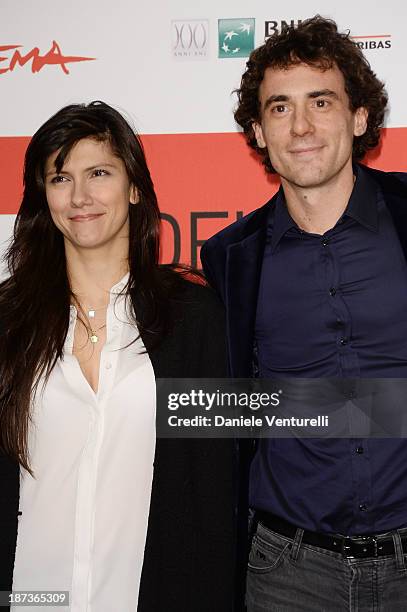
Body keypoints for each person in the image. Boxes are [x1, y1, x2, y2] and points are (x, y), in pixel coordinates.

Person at [201, 15, 407, 612]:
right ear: (259, 132)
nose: (302, 126)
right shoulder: (229, 260)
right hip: (290, 574)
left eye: (321, 100)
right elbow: (224, 409)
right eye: (280, 108)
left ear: (359, 116)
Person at [0, 101, 236, 611]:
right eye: (60, 178)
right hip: (31, 596)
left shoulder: (192, 318)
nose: (80, 196)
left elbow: (214, 492)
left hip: (148, 596)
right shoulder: (8, 322)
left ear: (134, 187)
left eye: (99, 173)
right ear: (44, 195)